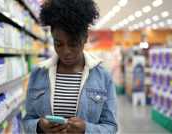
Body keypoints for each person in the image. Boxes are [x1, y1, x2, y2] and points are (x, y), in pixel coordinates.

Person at [23, 0, 118, 133]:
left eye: (73, 44)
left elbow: (111, 126)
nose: (66, 51)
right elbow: (27, 121)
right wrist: (40, 126)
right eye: (59, 44)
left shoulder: (102, 76)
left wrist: (86, 129)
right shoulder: (38, 74)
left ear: (85, 38)